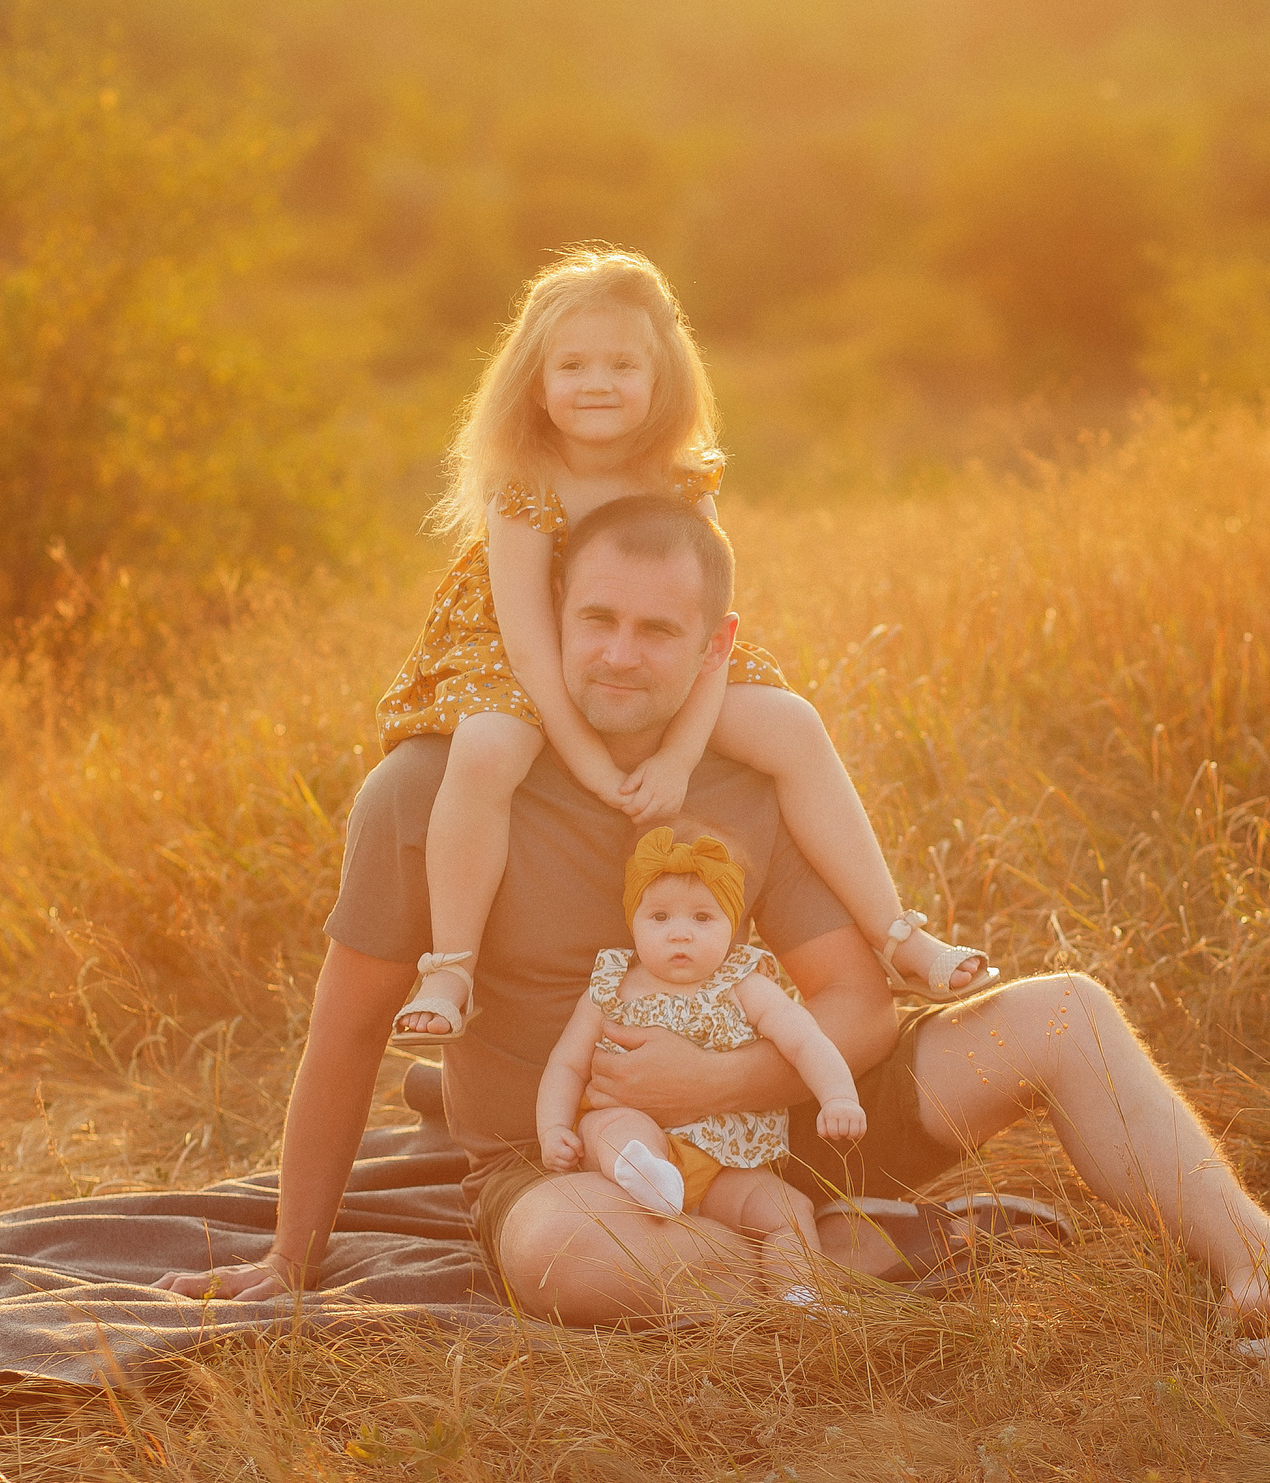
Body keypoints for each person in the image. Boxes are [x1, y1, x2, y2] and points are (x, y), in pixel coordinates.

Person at [160, 494, 1270, 1350]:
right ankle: (859, 1259)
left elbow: (857, 1009)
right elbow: (343, 1033)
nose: (622, 651)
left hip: (814, 1122)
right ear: (544, 625)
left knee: (1069, 1009)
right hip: (577, 1166)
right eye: (596, 620)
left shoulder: (744, 777)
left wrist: (725, 1074)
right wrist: (290, 1255)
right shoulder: (432, 790)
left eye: (658, 628)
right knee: (574, 1254)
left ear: (713, 644)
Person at [375, 248, 990, 1051]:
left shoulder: (680, 478)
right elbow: (528, 647)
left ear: (662, 377)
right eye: (573, 365)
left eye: (622, 363)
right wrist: (596, 766)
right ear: (535, 380)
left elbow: (707, 633)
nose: (597, 382)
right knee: (488, 748)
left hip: (658, 656)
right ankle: (451, 965)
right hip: (519, 649)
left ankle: (895, 931)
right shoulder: (526, 480)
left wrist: (677, 756)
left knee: (793, 724)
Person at [536, 823, 866, 1305]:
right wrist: (552, 1129)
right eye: (660, 917)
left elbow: (804, 1039)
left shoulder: (743, 983)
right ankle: (646, 1176)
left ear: (733, 926)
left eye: (703, 918)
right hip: (637, 1140)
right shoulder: (610, 987)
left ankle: (801, 1294)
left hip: (725, 1162)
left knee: (786, 1210)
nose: (680, 934)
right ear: (634, 922)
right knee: (614, 1124)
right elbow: (565, 1064)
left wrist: (838, 1094)